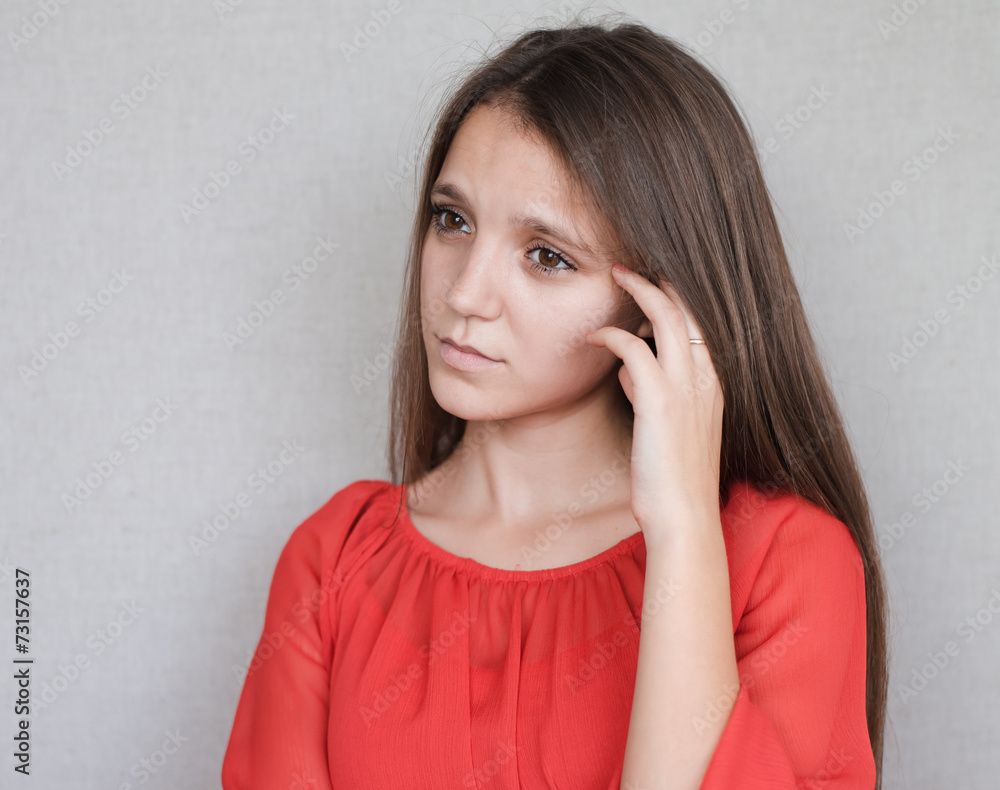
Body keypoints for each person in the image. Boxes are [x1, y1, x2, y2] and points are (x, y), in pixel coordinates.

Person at [221, 16, 889, 790]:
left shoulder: (784, 561)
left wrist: (681, 534)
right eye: (453, 220)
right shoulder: (333, 560)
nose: (464, 294)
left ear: (659, 300)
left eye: (546, 256)